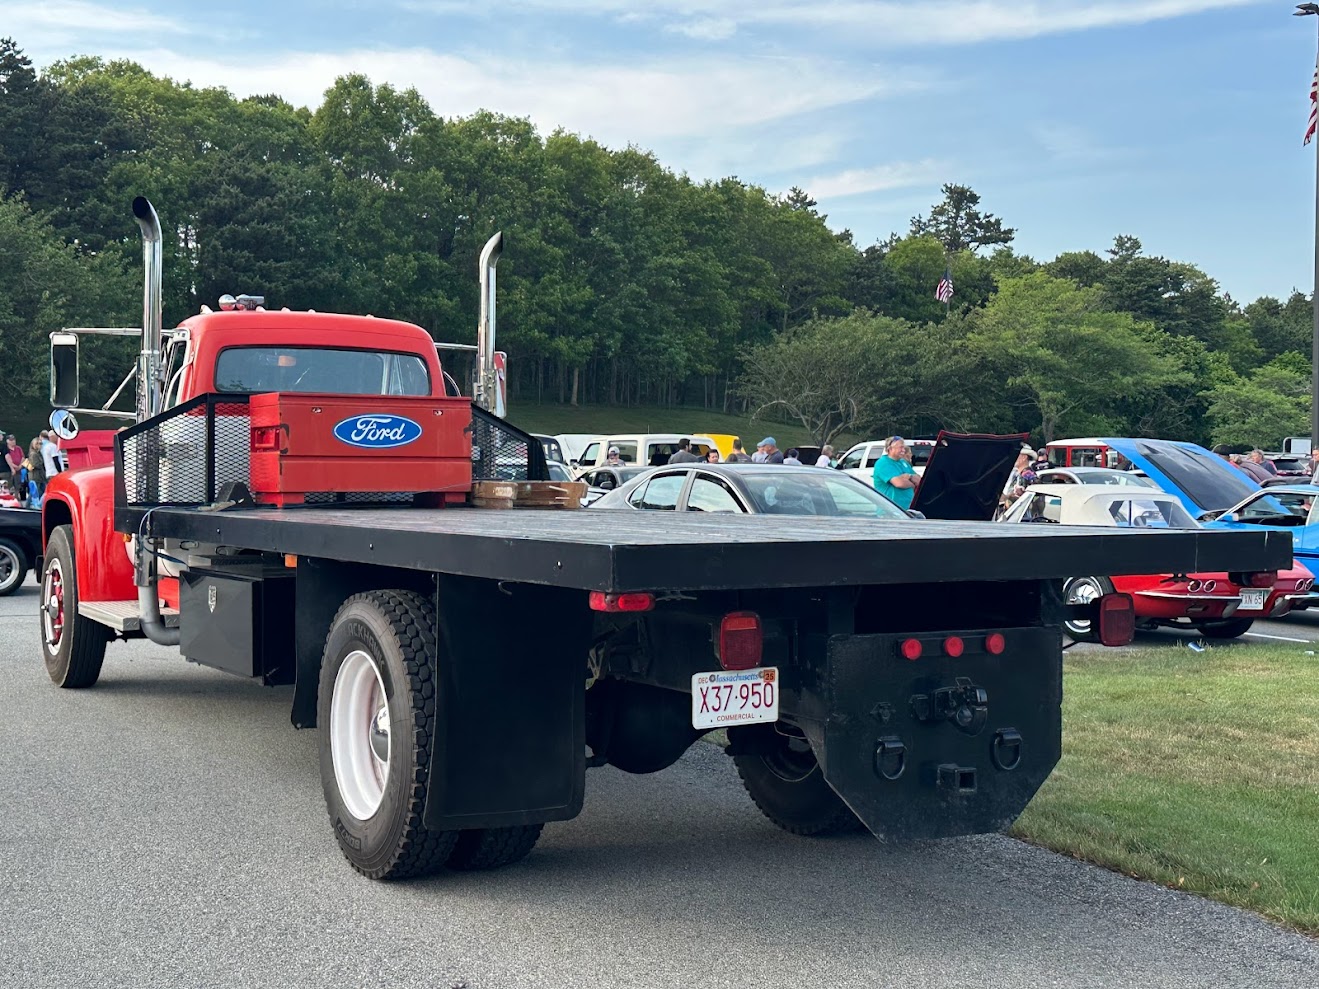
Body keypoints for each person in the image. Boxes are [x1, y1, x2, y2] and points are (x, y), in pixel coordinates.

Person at [873, 435, 919, 510]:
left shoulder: (903, 462)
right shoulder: (883, 463)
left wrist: (909, 476)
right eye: (900, 447)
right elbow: (899, 483)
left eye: (903, 447)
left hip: (907, 510)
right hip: (889, 512)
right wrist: (912, 484)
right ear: (890, 449)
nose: (903, 450)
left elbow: (919, 480)